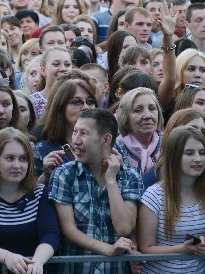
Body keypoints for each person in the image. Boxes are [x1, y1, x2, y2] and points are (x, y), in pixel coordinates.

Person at [49, 108, 141, 274]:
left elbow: (124, 228)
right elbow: (69, 230)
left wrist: (111, 181)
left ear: (106, 140)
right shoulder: (63, 174)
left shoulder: (130, 176)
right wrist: (108, 249)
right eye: (75, 132)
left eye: (84, 133)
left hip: (114, 270)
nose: (75, 141)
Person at [0, 127, 60, 274]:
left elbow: (51, 235)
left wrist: (38, 261)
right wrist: (7, 257)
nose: (17, 165)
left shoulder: (40, 194)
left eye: (23, 158)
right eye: (10, 158)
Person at [137, 126, 205, 274]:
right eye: (189, 153)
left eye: (202, 153)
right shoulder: (154, 195)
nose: (198, 159)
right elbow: (146, 248)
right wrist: (182, 249)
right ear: (174, 157)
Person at [114, 87, 164, 176]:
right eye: (138, 110)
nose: (147, 116)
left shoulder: (168, 144)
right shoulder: (115, 149)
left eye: (152, 108)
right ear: (125, 117)